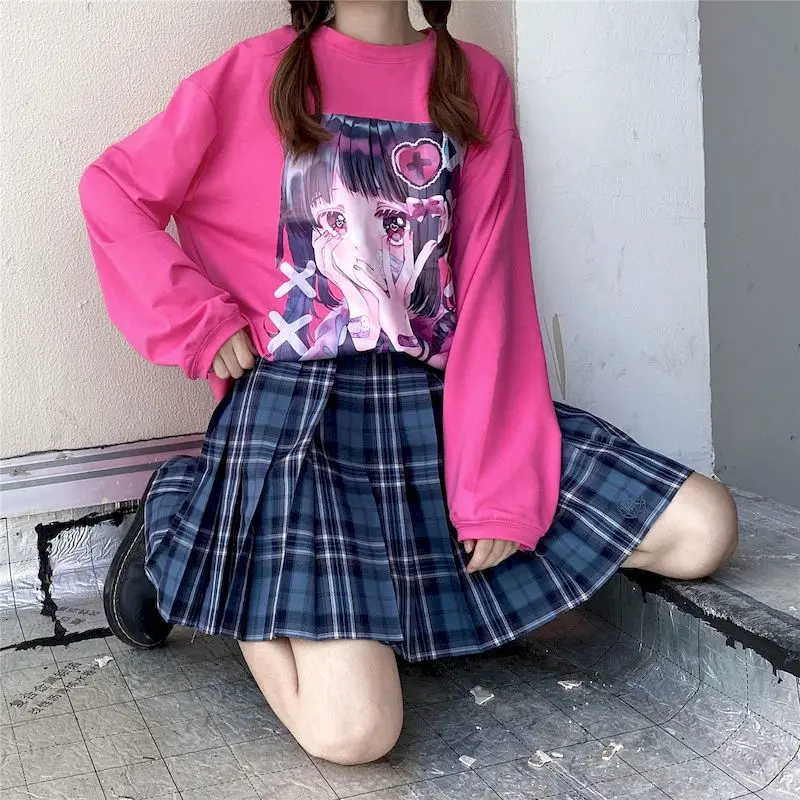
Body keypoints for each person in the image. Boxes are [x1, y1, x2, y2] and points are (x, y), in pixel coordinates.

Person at [78, 0, 738, 767]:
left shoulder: (473, 81)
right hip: (298, 419)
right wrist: (197, 319)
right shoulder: (253, 73)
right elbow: (111, 189)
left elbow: (492, 288)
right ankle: (190, 517)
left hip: (435, 407)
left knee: (704, 528)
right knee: (355, 733)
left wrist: (496, 484)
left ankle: (299, 557)